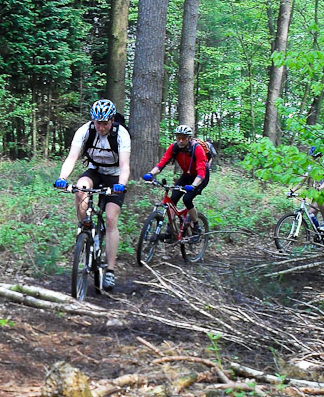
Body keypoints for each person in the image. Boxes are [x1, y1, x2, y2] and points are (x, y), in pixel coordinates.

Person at [54, 99, 131, 291]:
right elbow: (72, 158)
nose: (101, 127)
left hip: (115, 176)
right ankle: (86, 227)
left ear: (112, 120)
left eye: (105, 123)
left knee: (111, 218)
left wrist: (121, 184)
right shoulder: (85, 131)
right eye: (98, 123)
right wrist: (62, 178)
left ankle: (110, 271)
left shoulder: (121, 134)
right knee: (80, 189)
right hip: (95, 171)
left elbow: (125, 166)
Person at [143, 124, 209, 236]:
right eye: (178, 137)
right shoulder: (174, 147)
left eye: (183, 138)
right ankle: (171, 230)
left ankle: (196, 226)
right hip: (187, 175)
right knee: (172, 200)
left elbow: (201, 172)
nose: (180, 140)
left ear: (189, 138)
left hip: (201, 177)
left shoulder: (197, 149)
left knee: (187, 199)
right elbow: (162, 163)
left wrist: (193, 186)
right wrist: (151, 174)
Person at [290, 146, 324, 231]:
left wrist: (319, 188)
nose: (313, 159)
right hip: (321, 189)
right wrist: (293, 190)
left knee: (320, 199)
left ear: (320, 156)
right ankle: (319, 235)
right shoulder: (311, 166)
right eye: (312, 157)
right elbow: (302, 180)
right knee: (311, 214)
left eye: (315, 157)